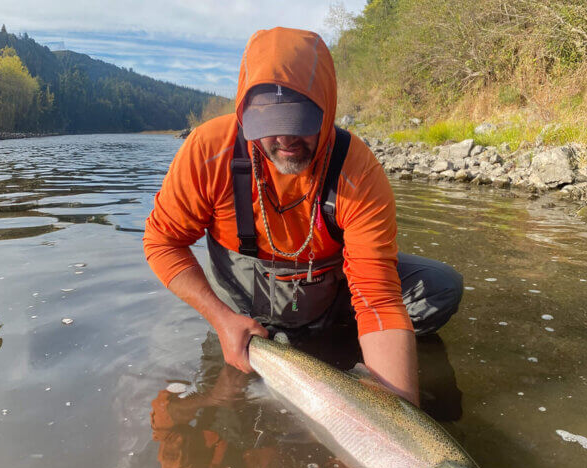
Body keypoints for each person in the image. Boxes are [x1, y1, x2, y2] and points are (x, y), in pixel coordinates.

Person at [143, 27, 463, 406]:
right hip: (244, 308)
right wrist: (220, 319)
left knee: (441, 287)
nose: (284, 140)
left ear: (327, 110)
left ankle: (343, 344)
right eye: (268, 125)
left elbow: (377, 299)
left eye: (299, 123)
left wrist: (399, 421)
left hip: (328, 296)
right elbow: (162, 242)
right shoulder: (210, 150)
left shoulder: (357, 171)